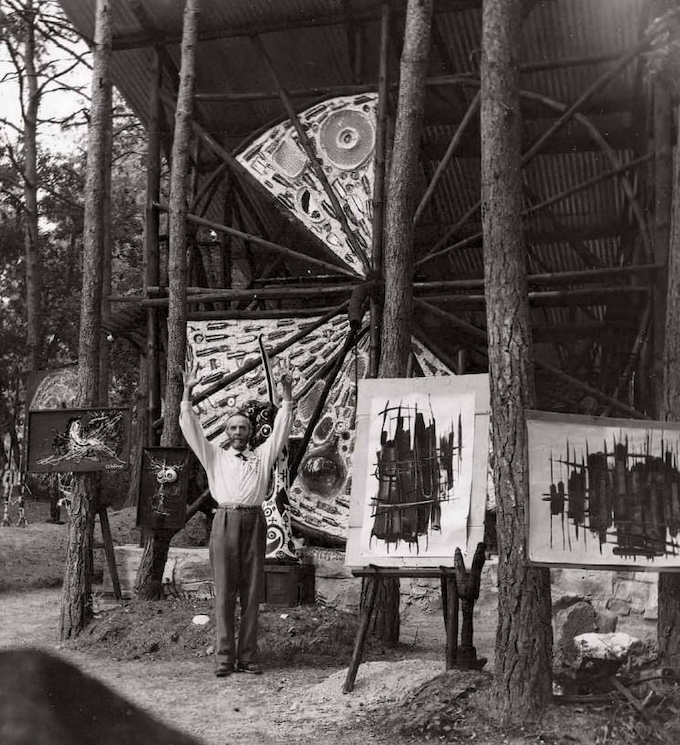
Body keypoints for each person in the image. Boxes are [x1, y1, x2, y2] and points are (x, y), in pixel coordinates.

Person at [180, 360, 294, 677]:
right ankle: (224, 658)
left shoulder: (263, 455)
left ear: (251, 432)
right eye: (233, 428)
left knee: (252, 592)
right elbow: (190, 430)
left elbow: (283, 428)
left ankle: (248, 657)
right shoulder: (214, 454)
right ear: (227, 433)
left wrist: (286, 394)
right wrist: (187, 395)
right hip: (225, 523)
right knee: (225, 592)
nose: (238, 432)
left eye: (243, 428)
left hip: (254, 521)